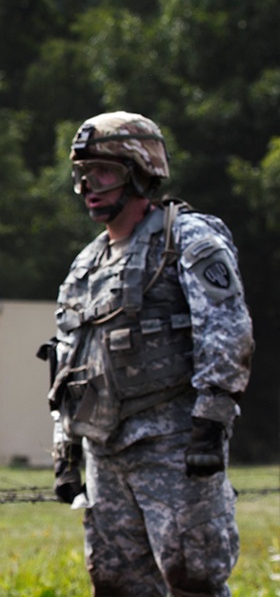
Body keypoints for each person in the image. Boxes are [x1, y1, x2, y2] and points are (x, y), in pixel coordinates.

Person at [44, 111, 254, 596]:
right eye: (83, 174)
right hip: (105, 450)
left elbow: (225, 327)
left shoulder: (187, 239)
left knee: (193, 577)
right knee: (116, 583)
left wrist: (211, 420)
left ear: (140, 171)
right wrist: (65, 447)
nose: (89, 186)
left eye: (104, 172)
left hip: (174, 442)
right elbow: (68, 359)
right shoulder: (87, 263)